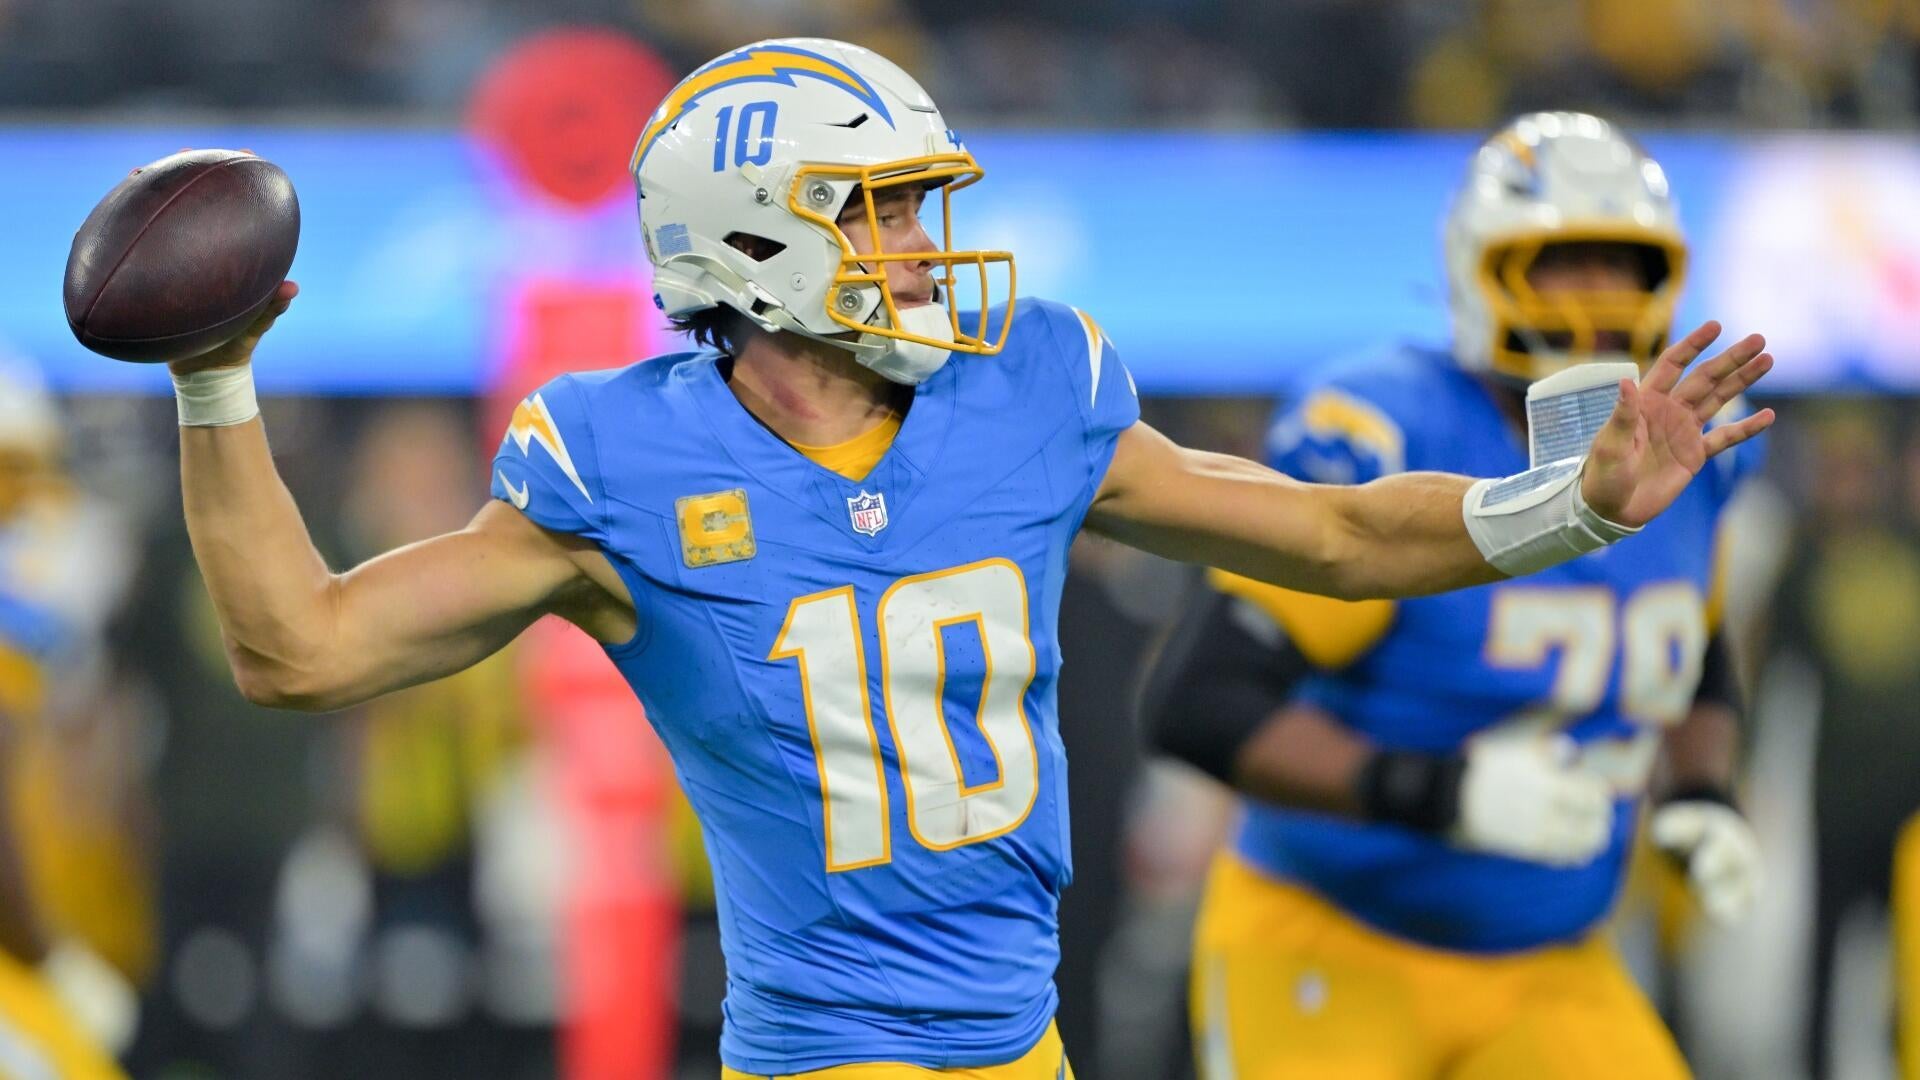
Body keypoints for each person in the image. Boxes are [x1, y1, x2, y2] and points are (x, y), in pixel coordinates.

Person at [163, 44, 1771, 1078]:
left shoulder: (1030, 390)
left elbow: (1337, 536)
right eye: (880, 212)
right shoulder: (623, 463)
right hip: (825, 1054)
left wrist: (1572, 508)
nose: (926, 248)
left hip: (1021, 1042)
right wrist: (216, 384)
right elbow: (300, 648)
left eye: (923, 208)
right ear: (753, 239)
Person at [1138, 112, 1766, 1079]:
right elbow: (1203, 701)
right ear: (1482, 269)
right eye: (1565, 263)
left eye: (1622, 264)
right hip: (1335, 939)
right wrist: (1437, 792)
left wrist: (1699, 790)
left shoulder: (1688, 451)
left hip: (1548, 959)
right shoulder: (1391, 428)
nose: (1600, 295)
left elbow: (1694, 645)